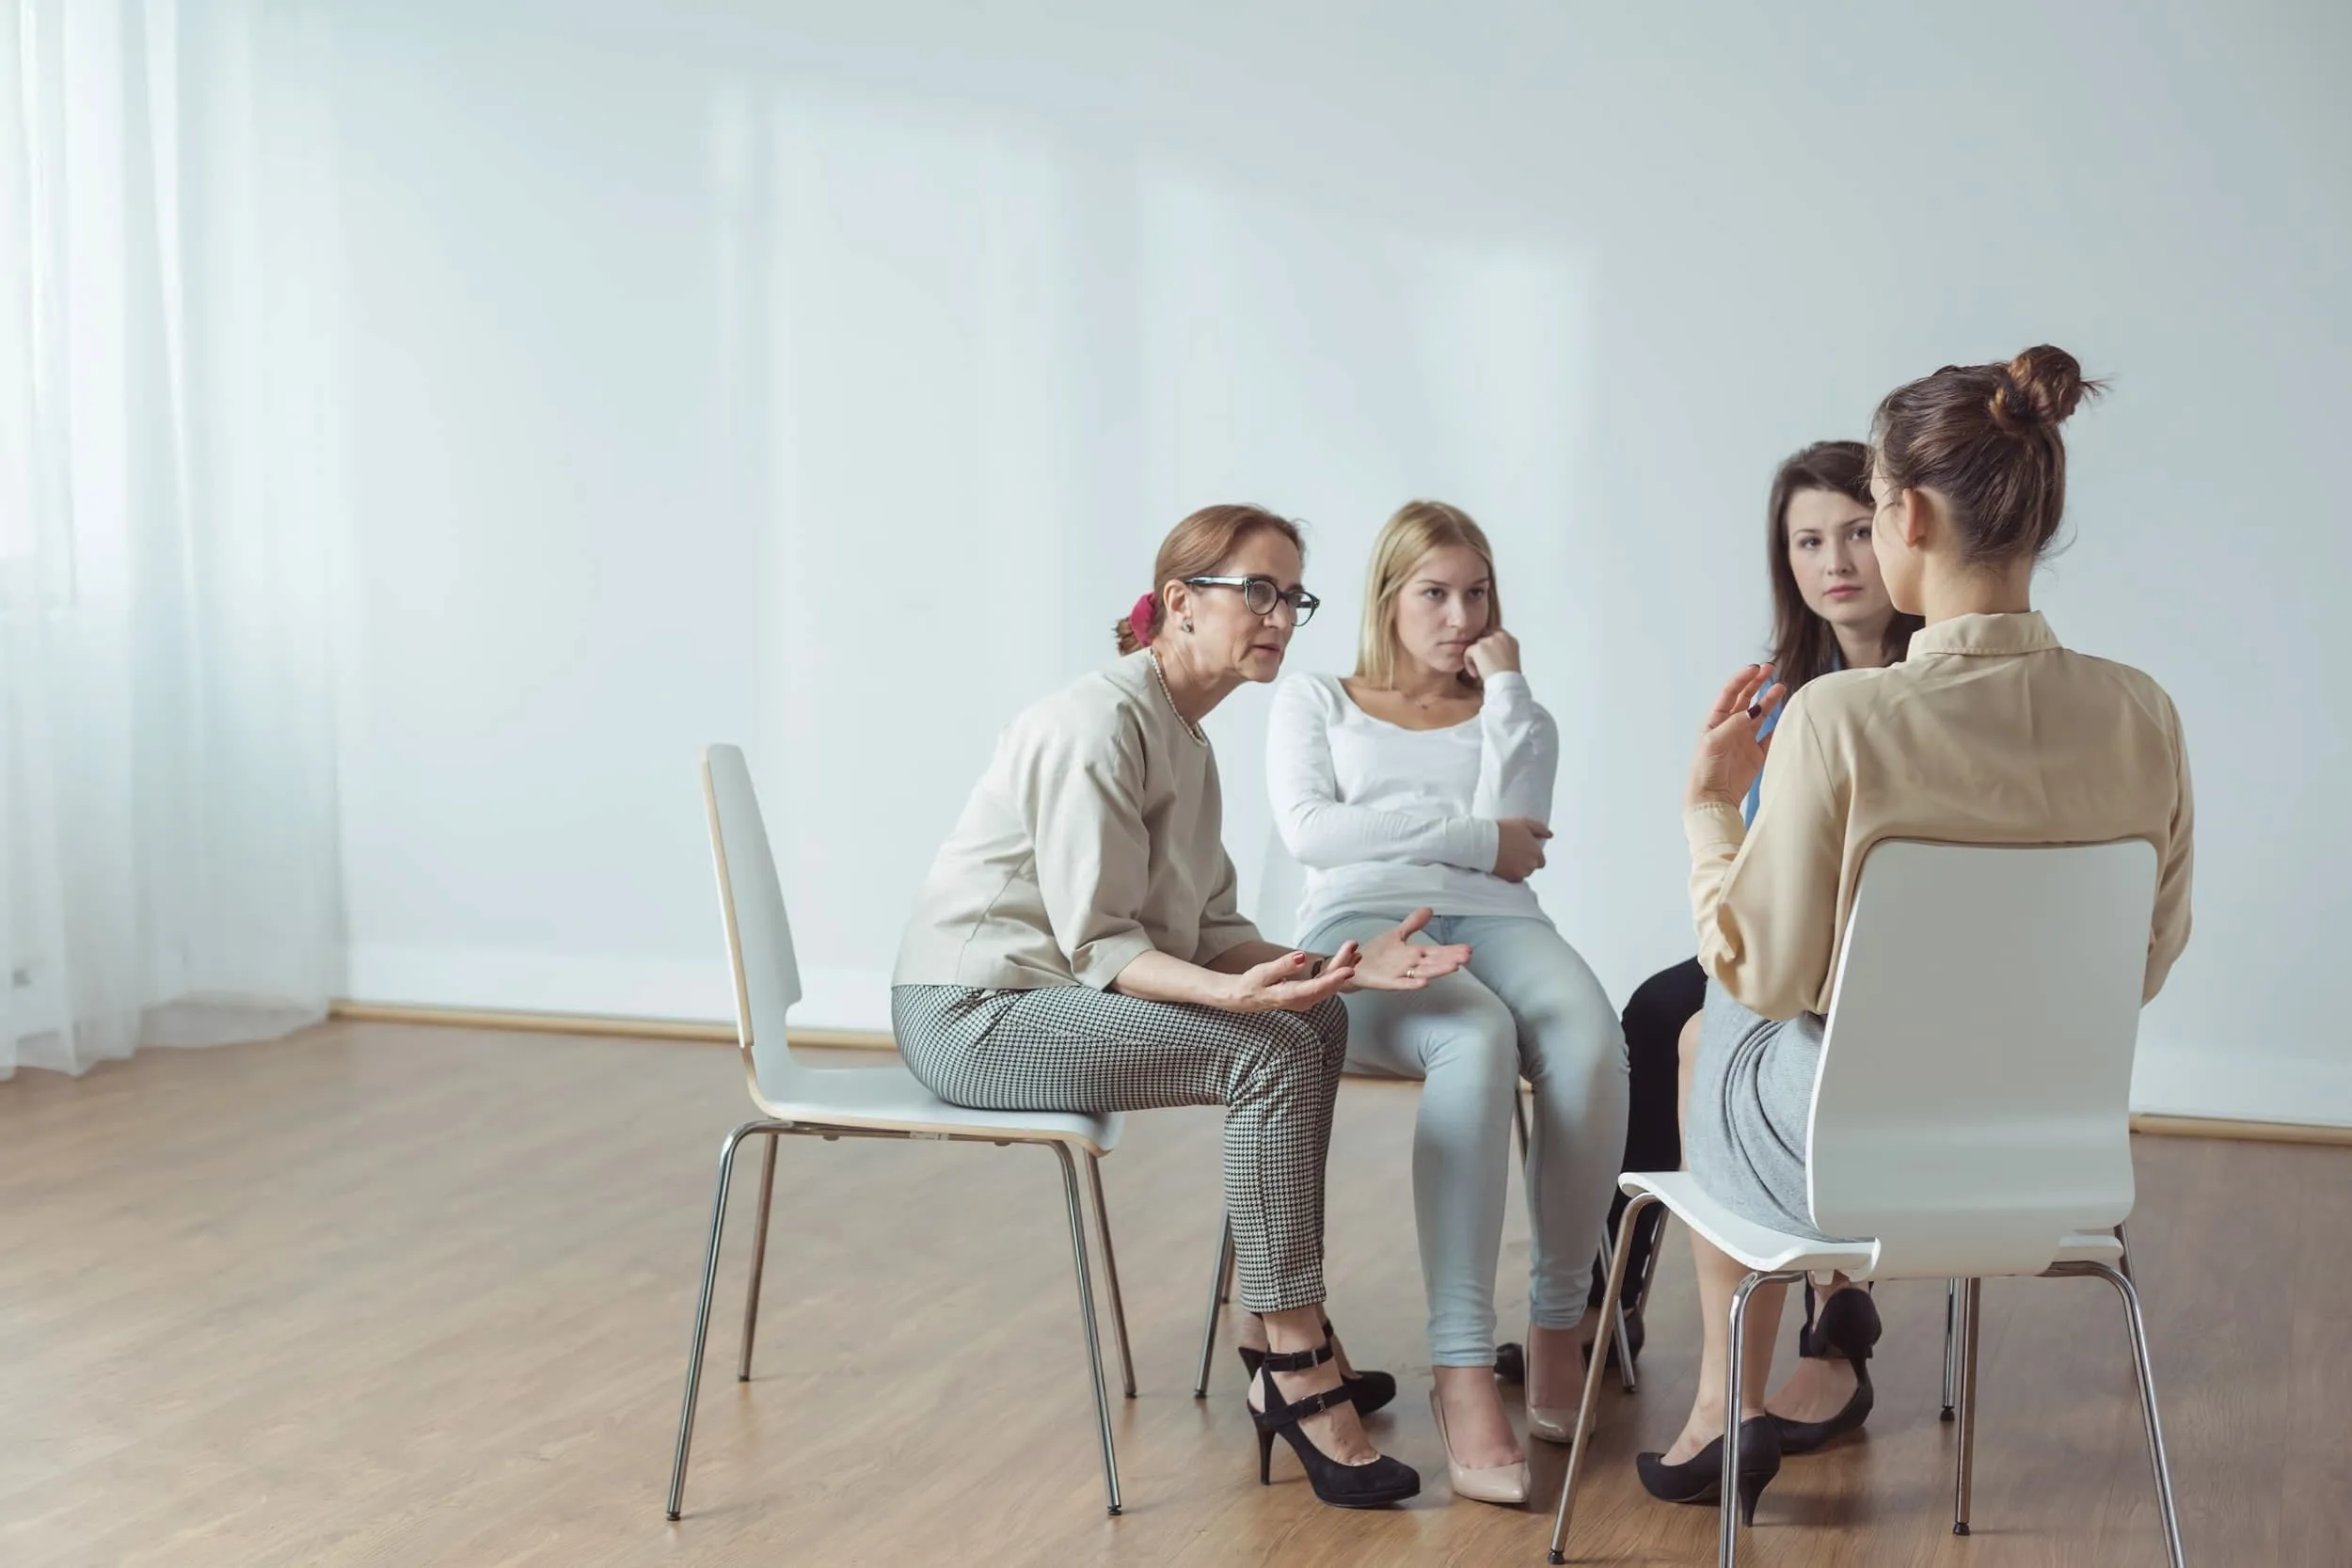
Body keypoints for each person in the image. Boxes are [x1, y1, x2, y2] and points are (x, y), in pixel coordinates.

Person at [1638, 346, 2194, 1521]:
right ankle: (1807, 1353)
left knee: (1718, 1001)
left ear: (1910, 516)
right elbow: (2141, 962)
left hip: (1845, 1161)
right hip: (2049, 1158)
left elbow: (1759, 968)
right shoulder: (2142, 711)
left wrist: (1706, 810)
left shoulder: (1836, 719)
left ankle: (1725, 1402)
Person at [893, 503, 1465, 1511]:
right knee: (1269, 1048)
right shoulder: (1100, 722)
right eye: (1258, 591)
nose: (1279, 616)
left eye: (1293, 597)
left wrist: (1336, 964)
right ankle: (1292, 1353)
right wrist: (1239, 996)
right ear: (1180, 601)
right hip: (974, 1013)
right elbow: (1102, 945)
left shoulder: (1186, 738)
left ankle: (1262, 1319)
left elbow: (1210, 927)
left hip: (1047, 997)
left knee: (1314, 1020)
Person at [1265, 500, 1628, 1506]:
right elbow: (1313, 832)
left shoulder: (1515, 707)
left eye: (1477, 593)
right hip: (1361, 927)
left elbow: (1522, 834)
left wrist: (1506, 689)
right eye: (1433, 592)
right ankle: (1461, 1366)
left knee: (1589, 1041)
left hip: (1503, 919)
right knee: (1475, 1033)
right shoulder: (1317, 699)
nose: (1459, 615)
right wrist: (1468, 837)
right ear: (1388, 596)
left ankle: (1556, 1321)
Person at [1603, 440, 1922, 1451]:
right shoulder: (1779, 690)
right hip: (1791, 934)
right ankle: (1612, 1291)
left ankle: (1817, 1304)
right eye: (1807, 542)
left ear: (1904, 531)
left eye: (1857, 533)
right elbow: (1753, 875)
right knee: (1654, 1011)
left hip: (1883, 957)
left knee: (1721, 1028)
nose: (1835, 562)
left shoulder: (1935, 684)